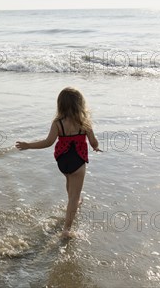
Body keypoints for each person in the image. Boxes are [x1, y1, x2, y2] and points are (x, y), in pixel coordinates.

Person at [15, 87, 102, 239]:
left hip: (62, 161)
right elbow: (93, 142)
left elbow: (48, 142)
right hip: (78, 160)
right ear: (80, 104)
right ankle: (67, 229)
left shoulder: (58, 123)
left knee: (69, 180)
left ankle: (72, 203)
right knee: (75, 195)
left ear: (60, 104)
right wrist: (96, 147)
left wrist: (28, 145)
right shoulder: (84, 123)